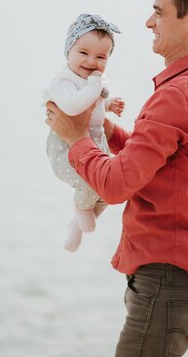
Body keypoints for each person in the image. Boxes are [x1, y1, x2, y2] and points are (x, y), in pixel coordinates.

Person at [45, 0, 188, 357]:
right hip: (186, 271)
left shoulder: (177, 94)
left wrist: (76, 137)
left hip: (168, 275)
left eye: (159, 12)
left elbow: (116, 186)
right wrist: (107, 131)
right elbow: (168, 160)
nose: (148, 22)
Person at [43, 13, 125, 252]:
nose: (91, 61)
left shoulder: (94, 82)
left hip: (93, 142)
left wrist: (110, 104)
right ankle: (82, 212)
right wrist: (94, 86)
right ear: (68, 51)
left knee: (108, 189)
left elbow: (96, 102)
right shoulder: (63, 80)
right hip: (65, 148)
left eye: (101, 57)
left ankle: (77, 221)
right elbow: (73, 106)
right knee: (89, 185)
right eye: (83, 53)